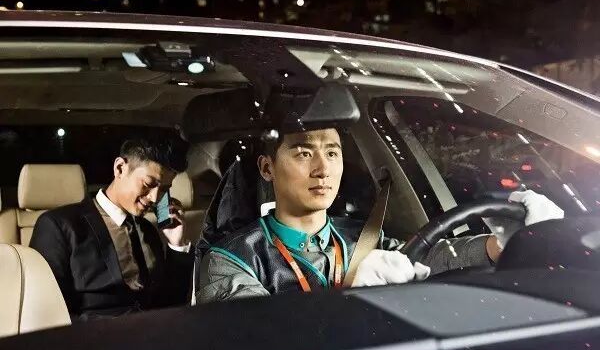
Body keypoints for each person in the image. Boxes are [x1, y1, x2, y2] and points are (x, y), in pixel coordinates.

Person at [196, 128, 563, 302]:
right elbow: (259, 344)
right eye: (304, 154)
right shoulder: (230, 260)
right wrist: (351, 301)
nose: (323, 169)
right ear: (267, 168)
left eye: (333, 153)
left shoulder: (363, 238)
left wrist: (497, 246)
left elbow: (427, 257)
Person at [30, 136, 194, 320]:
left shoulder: (148, 230)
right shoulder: (58, 225)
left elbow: (170, 304)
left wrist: (177, 245)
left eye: (164, 189)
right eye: (148, 184)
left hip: (154, 331)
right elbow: (48, 312)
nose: (155, 198)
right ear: (120, 168)